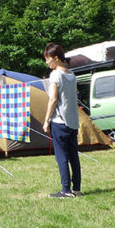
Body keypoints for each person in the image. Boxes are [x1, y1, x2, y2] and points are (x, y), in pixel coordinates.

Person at [42, 42, 82, 198]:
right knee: (74, 157)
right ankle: (76, 189)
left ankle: (65, 190)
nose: (47, 62)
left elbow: (53, 99)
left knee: (62, 157)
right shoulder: (71, 74)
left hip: (59, 122)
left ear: (56, 58)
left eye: (48, 59)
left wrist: (46, 121)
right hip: (73, 122)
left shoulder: (56, 75)